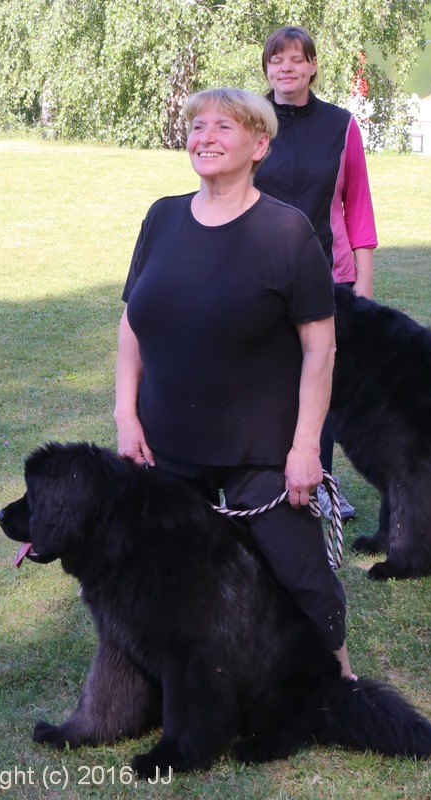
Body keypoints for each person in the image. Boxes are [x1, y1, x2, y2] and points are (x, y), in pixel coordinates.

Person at [114, 87, 356, 680]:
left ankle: (340, 682)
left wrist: (305, 448)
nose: (206, 137)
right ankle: (170, 686)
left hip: (262, 453)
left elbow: (320, 348)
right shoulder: (161, 218)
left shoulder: (288, 233)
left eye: (225, 127)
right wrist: (125, 413)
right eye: (198, 126)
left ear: (260, 145)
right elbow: (132, 323)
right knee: (162, 573)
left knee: (301, 577)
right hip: (166, 446)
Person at [254, 26, 378, 521]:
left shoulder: (341, 126)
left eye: (296, 59)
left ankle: (322, 484)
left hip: (329, 278)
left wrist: (363, 286)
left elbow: (358, 209)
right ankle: (259, 484)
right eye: (276, 60)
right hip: (259, 277)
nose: (285, 68)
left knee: (320, 382)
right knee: (260, 382)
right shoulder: (249, 120)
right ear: (267, 69)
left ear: (312, 67)